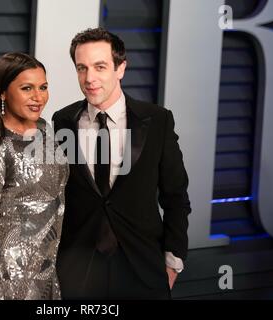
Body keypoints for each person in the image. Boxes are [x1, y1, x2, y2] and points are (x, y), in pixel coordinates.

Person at [52, 28, 191, 299]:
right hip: (78, 272)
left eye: (100, 67)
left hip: (143, 269)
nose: (89, 78)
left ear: (121, 68)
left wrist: (173, 262)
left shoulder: (157, 120)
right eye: (82, 68)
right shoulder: (62, 121)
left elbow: (176, 195)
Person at [0, 52, 69, 300]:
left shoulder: (44, 130)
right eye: (27, 88)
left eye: (43, 87)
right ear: (2, 92)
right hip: (5, 277)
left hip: (44, 268)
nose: (38, 97)